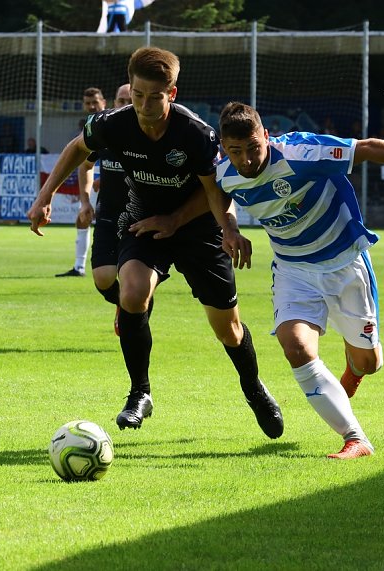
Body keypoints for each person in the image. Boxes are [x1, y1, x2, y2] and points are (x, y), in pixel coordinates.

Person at [27, 47, 284, 440]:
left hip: (198, 229)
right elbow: (78, 148)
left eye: (155, 96)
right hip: (145, 221)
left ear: (172, 94)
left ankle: (253, 388)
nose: (145, 105)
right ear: (130, 89)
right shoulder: (113, 123)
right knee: (131, 293)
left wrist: (228, 230)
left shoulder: (195, 133)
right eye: (138, 94)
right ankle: (140, 392)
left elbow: (213, 191)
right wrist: (45, 196)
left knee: (227, 329)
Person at [211, 102, 384, 459]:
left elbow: (367, 148)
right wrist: (229, 228)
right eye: (236, 151)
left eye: (253, 148)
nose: (246, 160)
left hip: (345, 264)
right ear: (224, 148)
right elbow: (219, 195)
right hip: (293, 269)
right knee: (295, 347)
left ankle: (354, 369)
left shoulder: (301, 153)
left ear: (266, 136)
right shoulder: (224, 172)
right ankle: (355, 438)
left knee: (369, 363)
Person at [75, 83, 133, 332]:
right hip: (108, 214)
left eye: (130, 100)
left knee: (136, 282)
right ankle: (122, 303)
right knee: (103, 278)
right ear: (114, 103)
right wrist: (85, 201)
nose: (125, 105)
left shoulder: (151, 136)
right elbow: (85, 166)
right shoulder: (105, 134)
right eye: (121, 100)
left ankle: (134, 320)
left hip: (140, 218)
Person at [54, 87, 107, 278]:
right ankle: (79, 267)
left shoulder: (112, 123)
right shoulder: (90, 127)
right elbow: (85, 163)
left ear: (104, 103)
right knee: (83, 218)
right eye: (88, 103)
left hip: (114, 181)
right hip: (95, 181)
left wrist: (105, 178)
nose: (92, 106)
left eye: (95, 102)